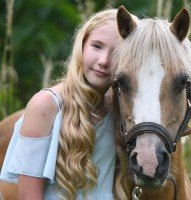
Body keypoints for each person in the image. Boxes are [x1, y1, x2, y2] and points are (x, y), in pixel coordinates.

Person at [0, 8, 121, 200]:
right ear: (82, 45)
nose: (104, 61)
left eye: (117, 52)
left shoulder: (119, 107)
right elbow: (28, 196)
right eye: (97, 46)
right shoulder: (46, 106)